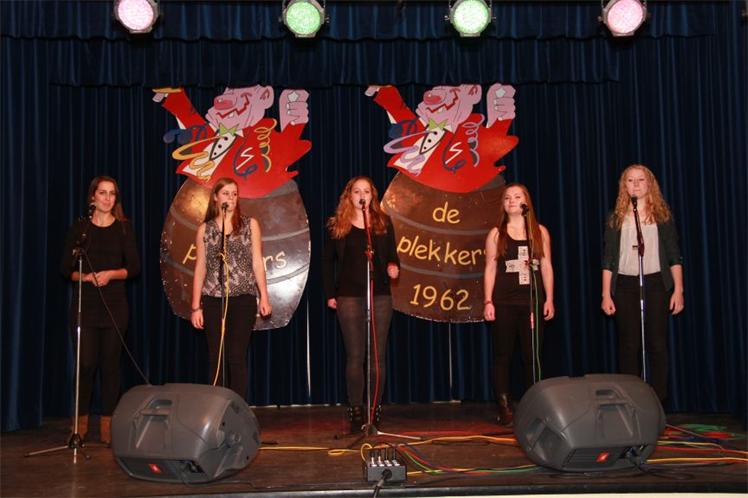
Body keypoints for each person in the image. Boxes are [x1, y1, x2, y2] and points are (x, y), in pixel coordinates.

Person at [60, 176, 140, 444]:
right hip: (86, 305)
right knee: (85, 364)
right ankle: (79, 426)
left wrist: (112, 274)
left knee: (110, 366)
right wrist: (84, 277)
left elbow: (134, 268)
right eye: (102, 193)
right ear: (92, 197)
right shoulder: (80, 229)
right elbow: (65, 269)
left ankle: (108, 427)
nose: (107, 198)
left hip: (114, 305)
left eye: (112, 194)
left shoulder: (124, 228)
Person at [323, 176, 400, 433]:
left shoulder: (382, 223)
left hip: (379, 295)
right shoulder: (337, 225)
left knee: (377, 356)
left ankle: (375, 407)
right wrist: (330, 294)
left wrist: (393, 267)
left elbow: (393, 256)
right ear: (349, 196)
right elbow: (327, 263)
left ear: (372, 196)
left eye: (366, 191)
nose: (361, 195)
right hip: (348, 296)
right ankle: (356, 409)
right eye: (357, 191)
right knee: (355, 355)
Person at [601, 164, 684, 402]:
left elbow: (673, 255)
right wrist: (606, 294)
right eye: (630, 180)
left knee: (657, 343)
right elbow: (608, 258)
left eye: (641, 180)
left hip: (655, 282)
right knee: (629, 344)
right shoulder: (616, 218)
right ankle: (632, 400)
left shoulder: (661, 216)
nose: (636, 184)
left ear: (650, 184)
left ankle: (658, 400)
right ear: (624, 186)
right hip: (625, 285)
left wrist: (678, 289)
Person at [190, 177, 272, 399]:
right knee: (217, 356)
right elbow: (200, 267)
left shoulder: (250, 225)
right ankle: (217, 408)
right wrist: (196, 306)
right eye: (226, 193)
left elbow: (257, 262)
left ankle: (237, 408)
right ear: (216, 198)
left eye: (234, 194)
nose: (231, 198)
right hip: (213, 298)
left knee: (236, 355)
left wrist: (264, 297)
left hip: (243, 297)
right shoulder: (205, 230)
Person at [483, 183, 555, 426]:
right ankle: (504, 406)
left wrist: (549, 298)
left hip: (531, 302)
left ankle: (534, 405)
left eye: (517, 196)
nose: (511, 200)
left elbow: (546, 266)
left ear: (526, 202)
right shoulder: (496, 234)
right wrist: (488, 300)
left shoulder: (539, 232)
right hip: (504, 301)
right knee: (502, 355)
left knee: (532, 355)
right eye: (507, 198)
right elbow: (490, 268)